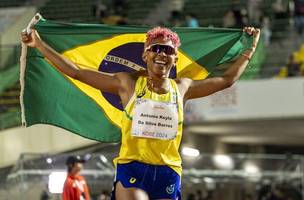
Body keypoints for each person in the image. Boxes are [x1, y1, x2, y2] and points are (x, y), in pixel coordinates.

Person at [21, 25, 260, 200]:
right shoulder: (127, 84)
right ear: (145, 54)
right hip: (132, 167)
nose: (162, 54)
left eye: (167, 51)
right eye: (156, 48)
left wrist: (250, 48)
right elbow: (76, 72)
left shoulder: (182, 88)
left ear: (175, 58)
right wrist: (39, 45)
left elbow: (227, 80)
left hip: (169, 172)